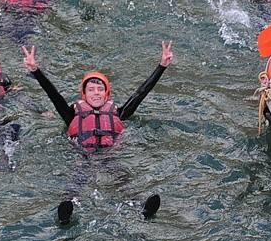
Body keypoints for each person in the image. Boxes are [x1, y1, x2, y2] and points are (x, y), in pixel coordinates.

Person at [21, 42, 172, 224]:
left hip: (109, 155)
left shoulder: (119, 113)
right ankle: (65, 215)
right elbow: (53, 95)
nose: (96, 93)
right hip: (83, 155)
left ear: (106, 94)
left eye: (100, 89)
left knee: (124, 181)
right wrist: (36, 70)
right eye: (91, 90)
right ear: (84, 94)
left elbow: (141, 93)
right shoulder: (71, 114)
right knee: (76, 183)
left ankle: (143, 208)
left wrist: (161, 66)